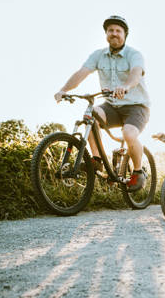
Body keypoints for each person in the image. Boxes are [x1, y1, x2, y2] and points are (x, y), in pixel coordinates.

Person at [54, 15, 151, 192]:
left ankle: (138, 172)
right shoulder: (98, 55)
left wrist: (126, 86)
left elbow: (136, 73)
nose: (114, 34)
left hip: (136, 106)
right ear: (106, 34)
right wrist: (63, 90)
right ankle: (97, 161)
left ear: (125, 35)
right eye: (110, 30)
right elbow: (81, 73)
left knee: (129, 134)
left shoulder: (134, 54)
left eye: (118, 31)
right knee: (91, 116)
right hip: (112, 105)